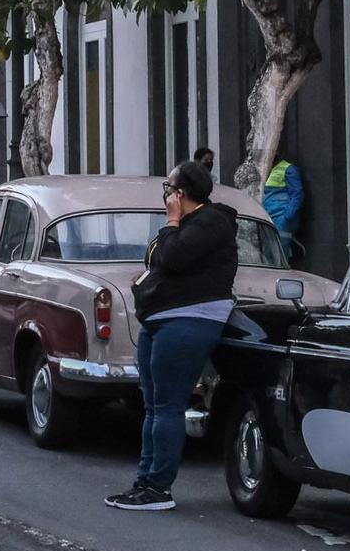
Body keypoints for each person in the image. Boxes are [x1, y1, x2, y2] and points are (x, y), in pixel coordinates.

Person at [108, 160, 237, 512]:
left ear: (182, 193)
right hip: (160, 321)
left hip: (188, 321)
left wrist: (171, 221)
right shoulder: (187, 224)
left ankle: (158, 488)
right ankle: (144, 481)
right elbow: (160, 259)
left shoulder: (212, 222)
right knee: (152, 405)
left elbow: (175, 258)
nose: (165, 195)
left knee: (167, 405)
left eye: (169, 188)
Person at [262, 156, 304, 258]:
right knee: (269, 252)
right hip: (269, 216)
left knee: (280, 253)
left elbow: (297, 194)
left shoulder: (288, 169)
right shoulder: (268, 169)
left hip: (281, 218)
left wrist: (288, 215)